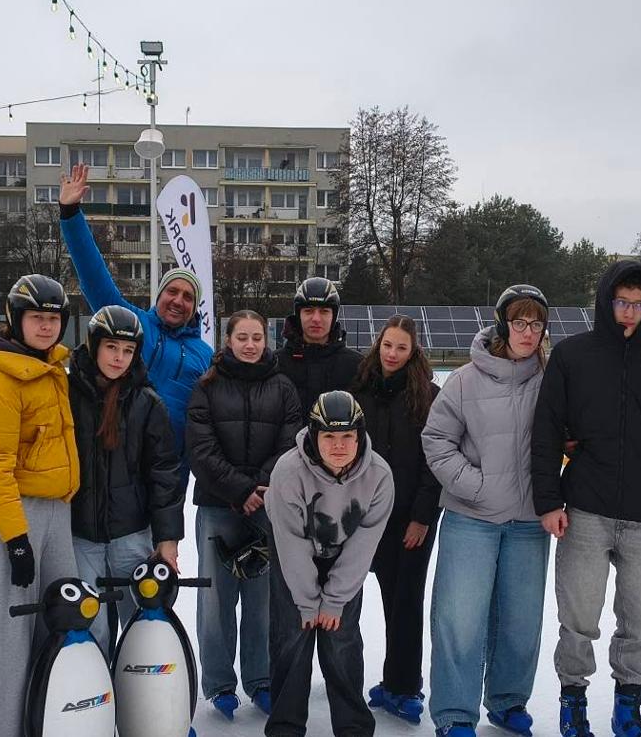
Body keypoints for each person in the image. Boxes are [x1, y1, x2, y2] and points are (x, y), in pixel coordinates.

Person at [534, 261, 641, 737]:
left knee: (639, 622)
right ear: (605, 301)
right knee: (579, 618)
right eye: (622, 302)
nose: (630, 312)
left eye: (639, 304)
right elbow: (546, 429)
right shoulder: (572, 356)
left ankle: (627, 705)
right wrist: (548, 500)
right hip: (586, 509)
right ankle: (572, 701)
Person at [421, 285, 554, 737]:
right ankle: (455, 713)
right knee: (459, 619)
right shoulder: (465, 380)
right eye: (519, 322)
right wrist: (475, 485)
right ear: (502, 325)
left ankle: (507, 700)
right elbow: (436, 440)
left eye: (536, 324)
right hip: (471, 519)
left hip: (529, 521)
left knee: (521, 620)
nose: (528, 332)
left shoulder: (552, 379)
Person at [0, 275, 82, 737]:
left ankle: (49, 724)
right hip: (10, 516)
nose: (46, 326)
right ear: (15, 320)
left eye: (53, 318)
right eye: (36, 318)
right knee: (12, 640)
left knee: (61, 622)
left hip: (55, 511)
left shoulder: (49, 370)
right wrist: (15, 540)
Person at [57, 161, 213, 482]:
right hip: (117, 461)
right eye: (172, 291)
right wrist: (71, 214)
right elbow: (94, 276)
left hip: (169, 473)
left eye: (188, 297)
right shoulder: (133, 325)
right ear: (159, 295)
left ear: (194, 307)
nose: (178, 300)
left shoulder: (204, 354)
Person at [187, 309, 304, 720]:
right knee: (216, 600)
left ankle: (261, 679)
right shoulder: (207, 386)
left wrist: (261, 488)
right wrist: (239, 490)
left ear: (266, 340)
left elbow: (292, 442)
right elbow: (200, 448)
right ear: (228, 340)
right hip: (219, 506)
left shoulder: (283, 387)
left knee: (262, 600)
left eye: (257, 337)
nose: (250, 345)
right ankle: (220, 683)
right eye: (242, 337)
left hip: (267, 507)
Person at [264, 391, 396, 737]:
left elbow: (364, 544)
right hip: (294, 552)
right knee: (292, 638)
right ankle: (285, 727)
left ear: (360, 436)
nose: (339, 445)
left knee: (342, 641)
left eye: (348, 436)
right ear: (313, 435)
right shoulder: (288, 471)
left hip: (345, 553)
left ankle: (353, 727)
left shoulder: (379, 475)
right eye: (329, 436)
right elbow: (291, 542)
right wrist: (308, 603)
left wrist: (335, 600)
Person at [68, 305, 186, 655]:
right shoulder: (66, 393)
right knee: (90, 623)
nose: (119, 358)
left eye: (128, 350)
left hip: (131, 534)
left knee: (140, 620)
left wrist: (167, 538)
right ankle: (94, 686)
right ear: (94, 345)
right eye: (111, 347)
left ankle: (137, 685)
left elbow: (164, 473)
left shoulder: (147, 402)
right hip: (81, 534)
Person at [349, 315, 442, 724]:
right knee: (342, 599)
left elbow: (435, 462)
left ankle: (402, 686)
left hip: (409, 519)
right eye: (388, 345)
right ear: (378, 344)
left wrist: (422, 517)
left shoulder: (428, 396)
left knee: (404, 601)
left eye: (401, 347)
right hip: (362, 516)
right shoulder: (357, 391)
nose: (392, 353)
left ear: (413, 351)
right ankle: (344, 680)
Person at [278, 276, 364, 414]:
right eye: (308, 311)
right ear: (298, 315)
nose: (316, 319)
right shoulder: (277, 364)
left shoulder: (357, 366)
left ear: (334, 316)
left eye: (324, 311)